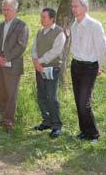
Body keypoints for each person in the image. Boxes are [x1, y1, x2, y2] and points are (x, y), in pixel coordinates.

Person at [70, 0, 106, 142]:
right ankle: (84, 131)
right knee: (77, 99)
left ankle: (94, 134)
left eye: (76, 6)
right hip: (76, 65)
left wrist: (100, 66)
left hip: (89, 67)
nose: (73, 9)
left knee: (84, 102)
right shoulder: (74, 25)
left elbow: (102, 48)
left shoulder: (94, 25)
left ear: (85, 8)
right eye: (72, 6)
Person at [0, 0, 29, 133]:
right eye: (4, 9)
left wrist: (6, 57)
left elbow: (21, 46)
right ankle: (3, 118)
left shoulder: (22, 26)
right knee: (1, 93)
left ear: (15, 10)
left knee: (11, 94)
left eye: (8, 9)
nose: (5, 12)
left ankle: (9, 122)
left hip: (13, 65)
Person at [31, 8, 66, 138]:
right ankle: (47, 121)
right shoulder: (40, 32)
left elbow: (56, 51)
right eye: (41, 17)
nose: (42, 19)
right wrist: (35, 61)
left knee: (51, 97)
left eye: (44, 17)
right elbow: (34, 47)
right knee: (41, 95)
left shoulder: (59, 32)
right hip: (39, 68)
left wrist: (39, 61)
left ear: (52, 19)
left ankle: (57, 125)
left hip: (52, 69)